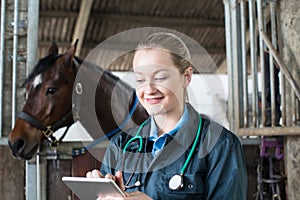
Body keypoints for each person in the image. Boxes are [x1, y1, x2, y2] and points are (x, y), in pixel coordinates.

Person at [86, 32, 248, 199]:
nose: (149, 90)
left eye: (160, 77)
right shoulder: (121, 145)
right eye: (140, 80)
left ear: (186, 77)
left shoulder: (220, 145)